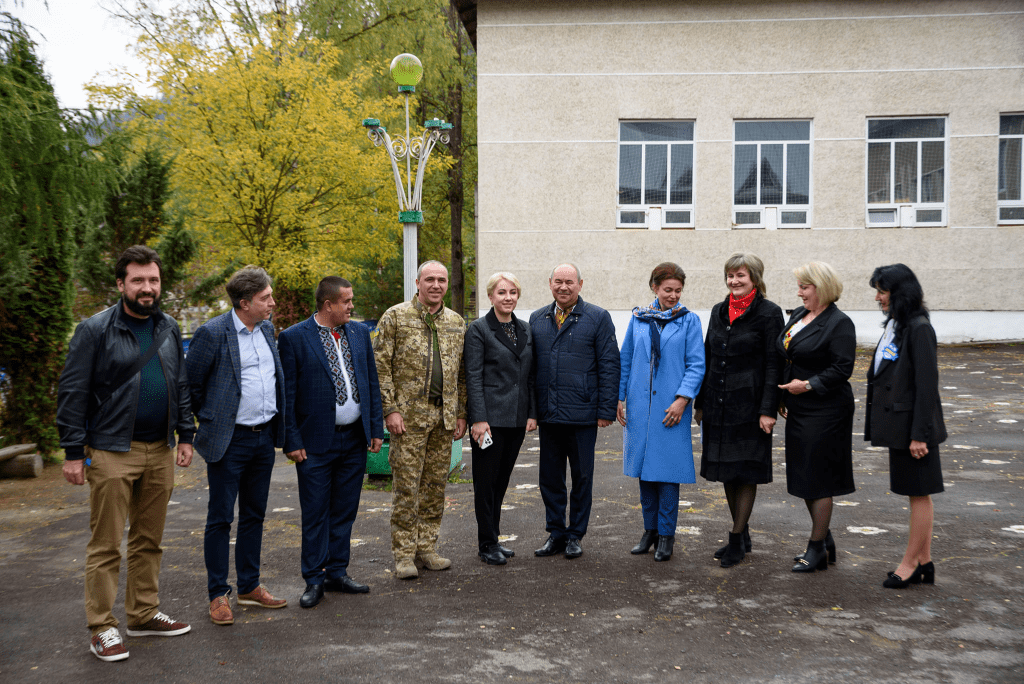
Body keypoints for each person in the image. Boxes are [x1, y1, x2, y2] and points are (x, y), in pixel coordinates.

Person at [57, 245, 194, 662]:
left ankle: (143, 613)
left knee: (149, 540)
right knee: (106, 544)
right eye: (138, 280)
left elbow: (180, 384)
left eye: (153, 280)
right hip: (113, 448)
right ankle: (102, 626)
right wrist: (72, 451)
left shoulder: (169, 327)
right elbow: (73, 391)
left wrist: (185, 434)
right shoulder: (94, 330)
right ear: (121, 285)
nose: (147, 287)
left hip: (160, 449)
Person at [186, 266, 288, 624]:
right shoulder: (212, 333)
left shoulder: (266, 328)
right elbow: (192, 387)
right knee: (220, 518)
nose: (272, 302)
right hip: (229, 441)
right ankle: (218, 594)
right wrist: (213, 420)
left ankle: (249, 585)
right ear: (244, 303)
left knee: (255, 515)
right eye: (265, 298)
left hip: (263, 439)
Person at [278, 277, 384, 608]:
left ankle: (337, 572)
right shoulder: (294, 338)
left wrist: (376, 428)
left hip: (354, 440)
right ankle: (313, 579)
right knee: (315, 514)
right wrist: (291, 439)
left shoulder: (359, 333)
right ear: (328, 305)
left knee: (344, 511)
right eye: (347, 301)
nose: (352, 306)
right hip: (313, 445)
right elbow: (288, 394)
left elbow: (371, 382)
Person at [373, 261, 467, 580]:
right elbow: (380, 367)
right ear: (417, 282)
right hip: (408, 418)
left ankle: (427, 548)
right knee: (407, 487)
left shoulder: (456, 322)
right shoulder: (396, 317)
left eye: (442, 280)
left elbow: (463, 375)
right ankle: (403, 554)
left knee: (434, 487)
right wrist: (390, 409)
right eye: (430, 279)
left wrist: (461, 414)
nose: (437, 285)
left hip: (443, 416)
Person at [694, 253, 784, 568]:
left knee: (746, 472)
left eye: (741, 276)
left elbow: (775, 364)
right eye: (730, 276)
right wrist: (701, 402)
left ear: (755, 278)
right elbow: (707, 355)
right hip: (719, 404)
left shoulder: (770, 313)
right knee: (726, 472)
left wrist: (768, 409)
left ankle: (736, 538)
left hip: (750, 407)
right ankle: (741, 532)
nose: (734, 281)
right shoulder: (719, 311)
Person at [530, 263, 620, 560]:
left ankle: (575, 535)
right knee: (550, 478)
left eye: (570, 282)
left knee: (582, 477)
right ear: (550, 283)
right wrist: (533, 411)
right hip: (550, 415)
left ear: (580, 284)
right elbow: (530, 371)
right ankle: (555, 533)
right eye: (558, 282)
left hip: (583, 414)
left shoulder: (597, 317)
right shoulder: (537, 318)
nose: (564, 287)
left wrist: (606, 409)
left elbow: (609, 365)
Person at [865, 264, 946, 589]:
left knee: (919, 495)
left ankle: (910, 563)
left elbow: (927, 386)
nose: (877, 297)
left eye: (882, 292)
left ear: (900, 293)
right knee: (916, 492)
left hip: (915, 430)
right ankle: (925, 562)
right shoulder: (898, 325)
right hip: (901, 426)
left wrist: (919, 435)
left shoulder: (918, 328)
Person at [617, 262, 705, 562]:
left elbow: (696, 364)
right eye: (668, 290)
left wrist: (683, 399)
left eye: (678, 291)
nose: (674, 296)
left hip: (671, 409)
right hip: (640, 408)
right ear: (654, 287)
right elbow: (626, 358)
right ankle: (649, 531)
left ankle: (667, 535)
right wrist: (618, 398)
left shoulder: (689, 321)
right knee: (645, 473)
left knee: (667, 475)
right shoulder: (639, 319)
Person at [777, 261, 856, 573]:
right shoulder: (800, 315)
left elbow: (842, 368)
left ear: (821, 288)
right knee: (803, 473)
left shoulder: (840, 323)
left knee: (818, 477)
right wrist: (785, 394)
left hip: (827, 409)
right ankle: (826, 539)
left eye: (804, 287)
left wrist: (806, 385)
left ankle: (816, 547)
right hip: (798, 405)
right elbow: (789, 352)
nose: (799, 293)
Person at [464, 272, 538, 566]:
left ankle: (494, 535)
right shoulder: (479, 330)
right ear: (490, 296)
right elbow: (473, 377)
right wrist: (478, 419)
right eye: (502, 292)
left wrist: (532, 413)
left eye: (513, 292)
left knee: (502, 481)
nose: (508, 297)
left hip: (517, 419)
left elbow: (530, 375)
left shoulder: (525, 329)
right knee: (485, 482)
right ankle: (486, 544)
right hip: (490, 421)